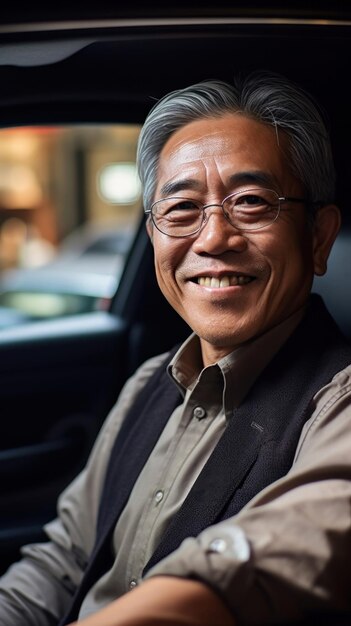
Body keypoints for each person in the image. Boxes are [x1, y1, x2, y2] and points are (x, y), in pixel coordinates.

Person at [0, 71, 351, 626]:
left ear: (318, 237)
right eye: (182, 208)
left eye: (252, 201)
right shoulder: (146, 385)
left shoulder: (339, 404)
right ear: (155, 236)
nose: (213, 238)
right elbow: (64, 562)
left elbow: (287, 551)